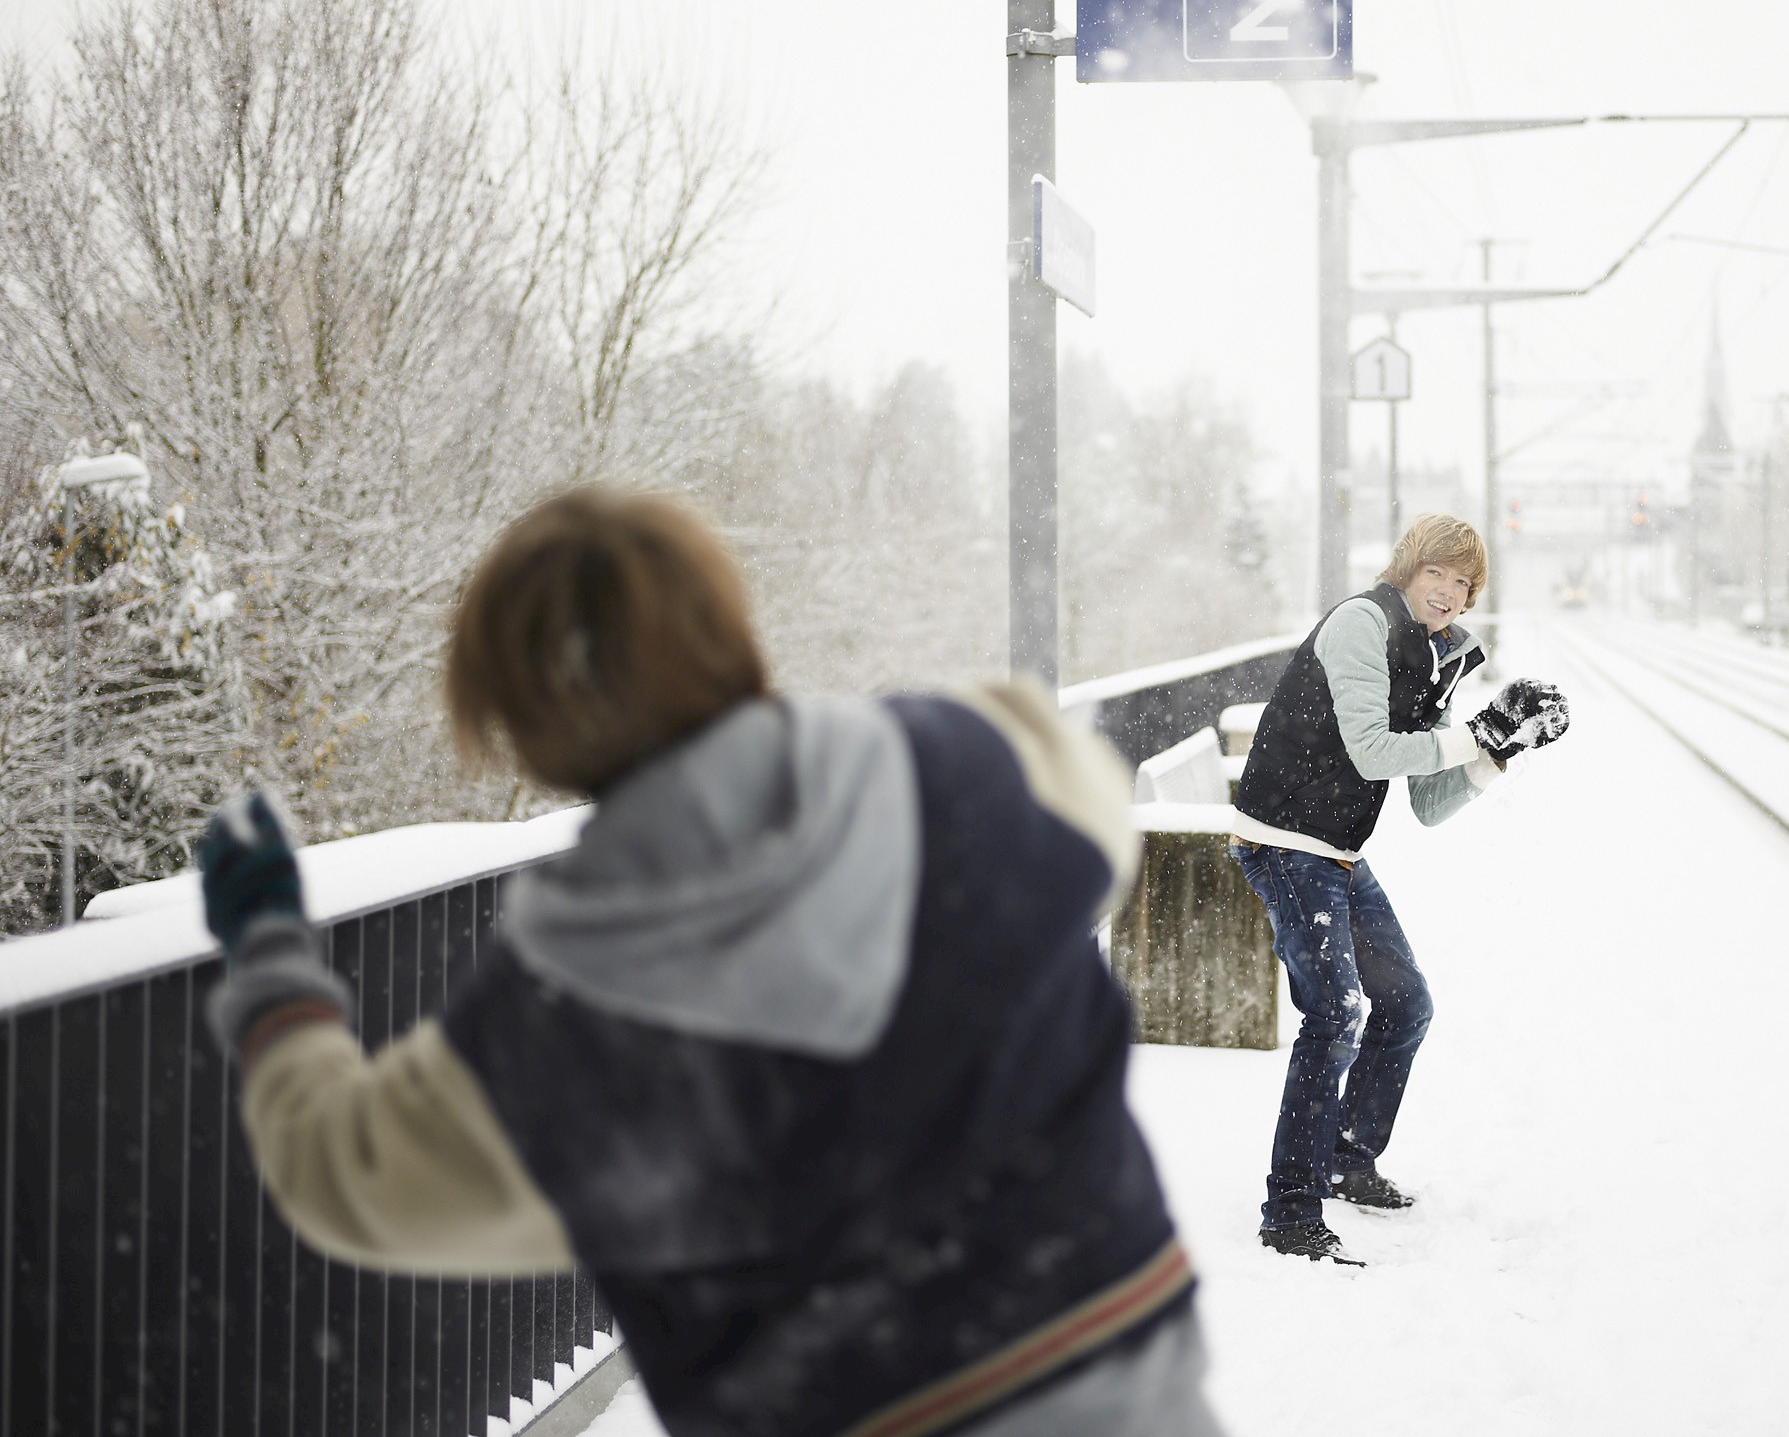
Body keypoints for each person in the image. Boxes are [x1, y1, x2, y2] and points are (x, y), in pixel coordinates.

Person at [197, 487, 1226, 1437]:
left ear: (517, 723)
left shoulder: (556, 1023)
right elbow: (1092, 809)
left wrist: (270, 948)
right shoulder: (967, 765)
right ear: (724, 631)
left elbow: (345, 1170)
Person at [1228, 513, 1569, 1263]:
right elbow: (1374, 751)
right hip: (1284, 842)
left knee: (1405, 1004)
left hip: (1338, 853)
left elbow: (1428, 800)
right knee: (1336, 1012)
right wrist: (1474, 734)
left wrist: (1500, 752)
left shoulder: (1436, 655)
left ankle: (1349, 1155)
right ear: (1408, 569)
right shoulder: (1361, 624)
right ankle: (1289, 1210)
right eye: (1437, 574)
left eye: (1464, 583)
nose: (1449, 592)